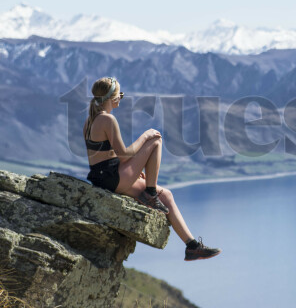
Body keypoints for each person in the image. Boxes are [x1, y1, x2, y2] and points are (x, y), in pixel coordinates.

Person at [84, 76, 221, 261]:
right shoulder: (107, 119)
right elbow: (124, 154)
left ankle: (192, 246)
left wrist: (132, 166)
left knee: (167, 195)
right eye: (120, 95)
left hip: (105, 176)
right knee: (155, 140)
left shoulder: (91, 119)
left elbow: (103, 156)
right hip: (113, 177)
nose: (120, 99)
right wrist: (145, 136)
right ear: (113, 98)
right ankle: (150, 193)